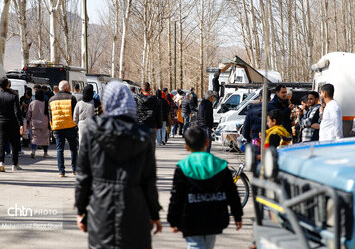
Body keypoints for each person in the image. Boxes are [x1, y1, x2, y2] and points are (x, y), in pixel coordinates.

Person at [75, 81, 162, 248]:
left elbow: (83, 177)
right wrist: (154, 214)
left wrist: (81, 210)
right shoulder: (143, 135)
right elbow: (149, 181)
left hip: (100, 208)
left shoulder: (92, 131)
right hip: (135, 209)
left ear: (106, 102)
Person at [167, 127, 243, 249]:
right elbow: (232, 193)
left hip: (191, 219)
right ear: (207, 143)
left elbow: (176, 197)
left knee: (196, 245)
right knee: (208, 245)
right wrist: (237, 215)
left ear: (186, 146)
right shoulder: (220, 165)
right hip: (215, 217)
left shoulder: (183, 167)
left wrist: (173, 219)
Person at [49, 80, 78, 177]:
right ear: (65, 88)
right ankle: (74, 169)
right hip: (70, 127)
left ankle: (61, 171)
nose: (70, 88)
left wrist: (52, 129)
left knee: (59, 149)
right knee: (73, 148)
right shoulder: (71, 98)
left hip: (57, 127)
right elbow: (75, 114)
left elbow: (50, 116)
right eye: (69, 86)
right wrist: (76, 125)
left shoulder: (52, 99)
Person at [0, 77, 23, 172]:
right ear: (8, 85)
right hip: (13, 122)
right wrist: (21, 123)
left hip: (1, 122)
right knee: (15, 143)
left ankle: (1, 162)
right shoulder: (13, 96)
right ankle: (15, 164)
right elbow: (17, 111)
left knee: (2, 143)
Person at [26, 89, 50, 158]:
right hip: (44, 123)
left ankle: (33, 151)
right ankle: (45, 153)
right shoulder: (46, 103)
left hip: (34, 123)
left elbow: (28, 114)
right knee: (45, 138)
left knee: (34, 138)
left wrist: (28, 122)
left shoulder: (32, 103)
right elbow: (49, 114)